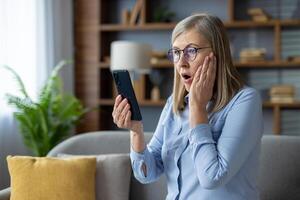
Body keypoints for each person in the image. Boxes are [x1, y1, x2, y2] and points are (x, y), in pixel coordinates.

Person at [112, 13, 263, 200]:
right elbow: (146, 174)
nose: (182, 63)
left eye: (191, 51)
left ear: (217, 53)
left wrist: (198, 108)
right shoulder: (173, 104)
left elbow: (212, 178)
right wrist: (136, 131)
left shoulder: (245, 101)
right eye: (176, 52)